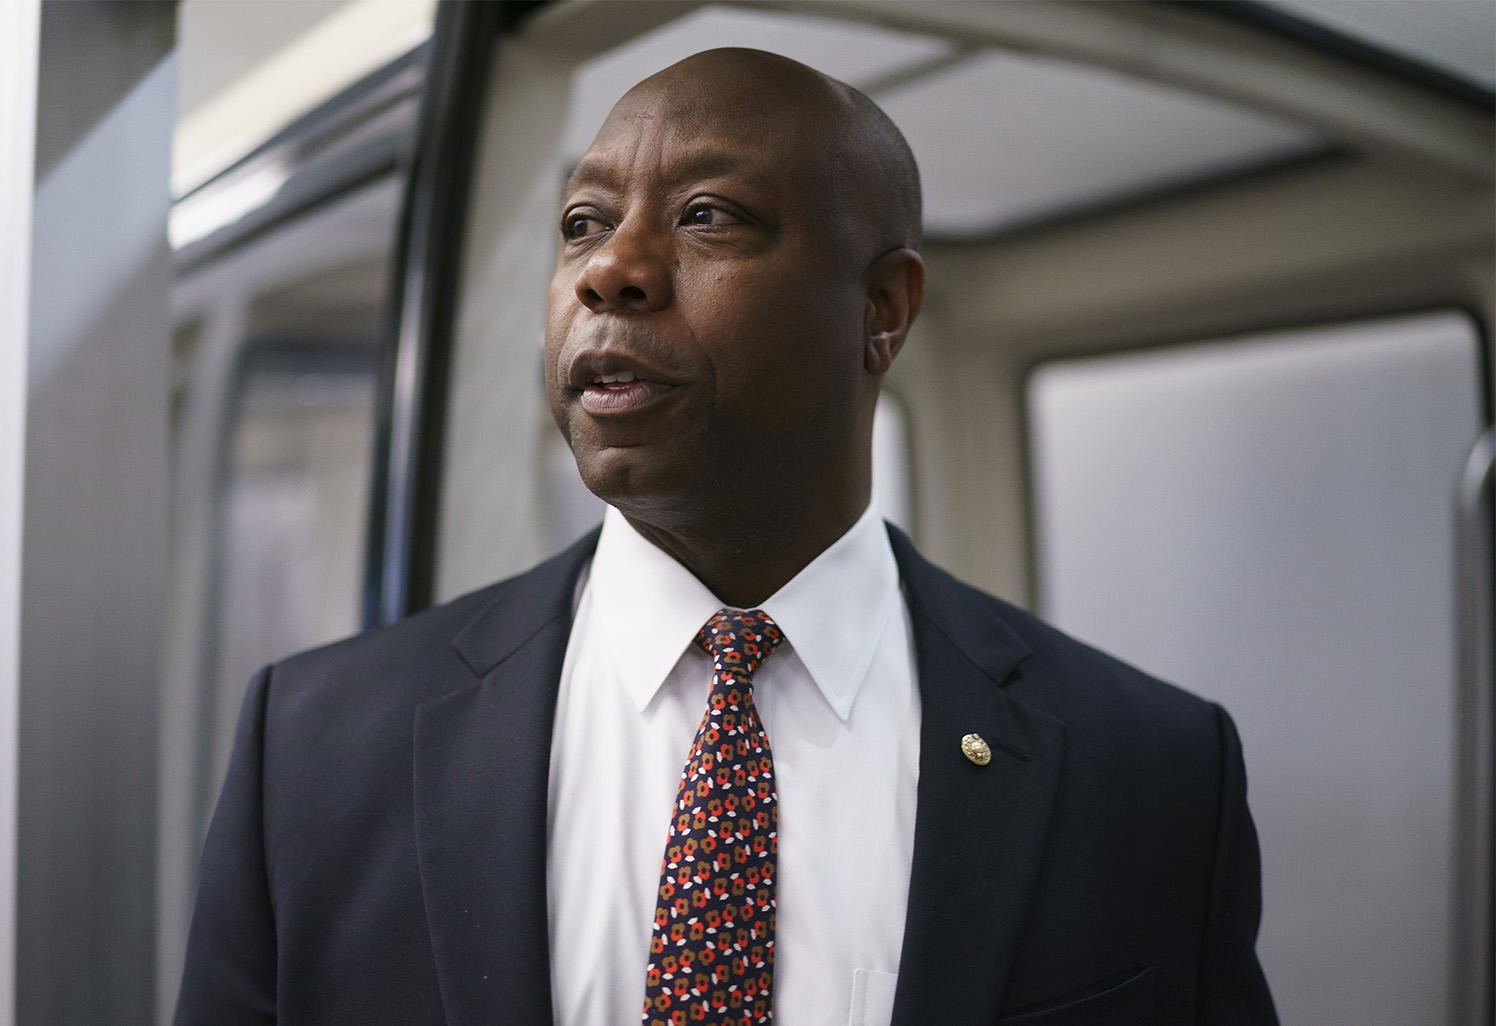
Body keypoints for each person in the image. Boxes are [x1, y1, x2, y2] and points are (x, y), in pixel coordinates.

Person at [174, 47, 1277, 1026]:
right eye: (581, 224)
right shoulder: (315, 750)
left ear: (882, 310)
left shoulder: (1147, 773)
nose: (611, 270)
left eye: (708, 214)